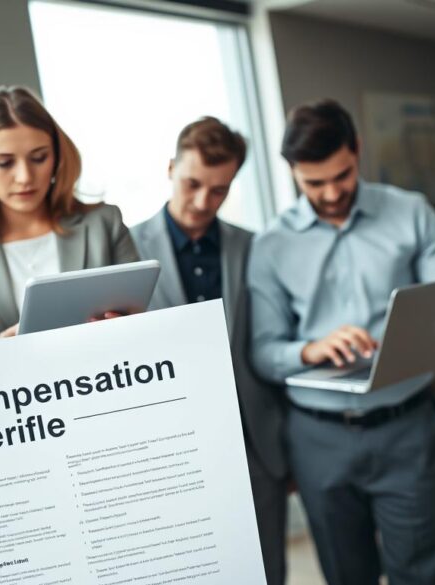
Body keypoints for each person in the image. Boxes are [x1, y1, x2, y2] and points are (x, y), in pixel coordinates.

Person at [249, 99, 435, 585]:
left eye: (341, 176)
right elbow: (262, 351)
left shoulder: (409, 213)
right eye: (313, 183)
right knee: (347, 576)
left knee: (424, 573)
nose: (329, 193)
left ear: (357, 150)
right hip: (317, 440)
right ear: (292, 173)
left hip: (408, 429)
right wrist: (309, 350)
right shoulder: (270, 247)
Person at [130, 116, 288, 584]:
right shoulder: (126, 248)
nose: (203, 202)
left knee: (268, 569)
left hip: (255, 442)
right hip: (171, 445)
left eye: (218, 190)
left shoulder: (254, 247)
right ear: (170, 168)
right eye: (192, 183)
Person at [0, 86, 140, 342]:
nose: (25, 177)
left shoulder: (104, 225)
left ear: (56, 155)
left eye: (39, 158)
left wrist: (127, 327)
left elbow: (145, 323)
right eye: (5, 163)